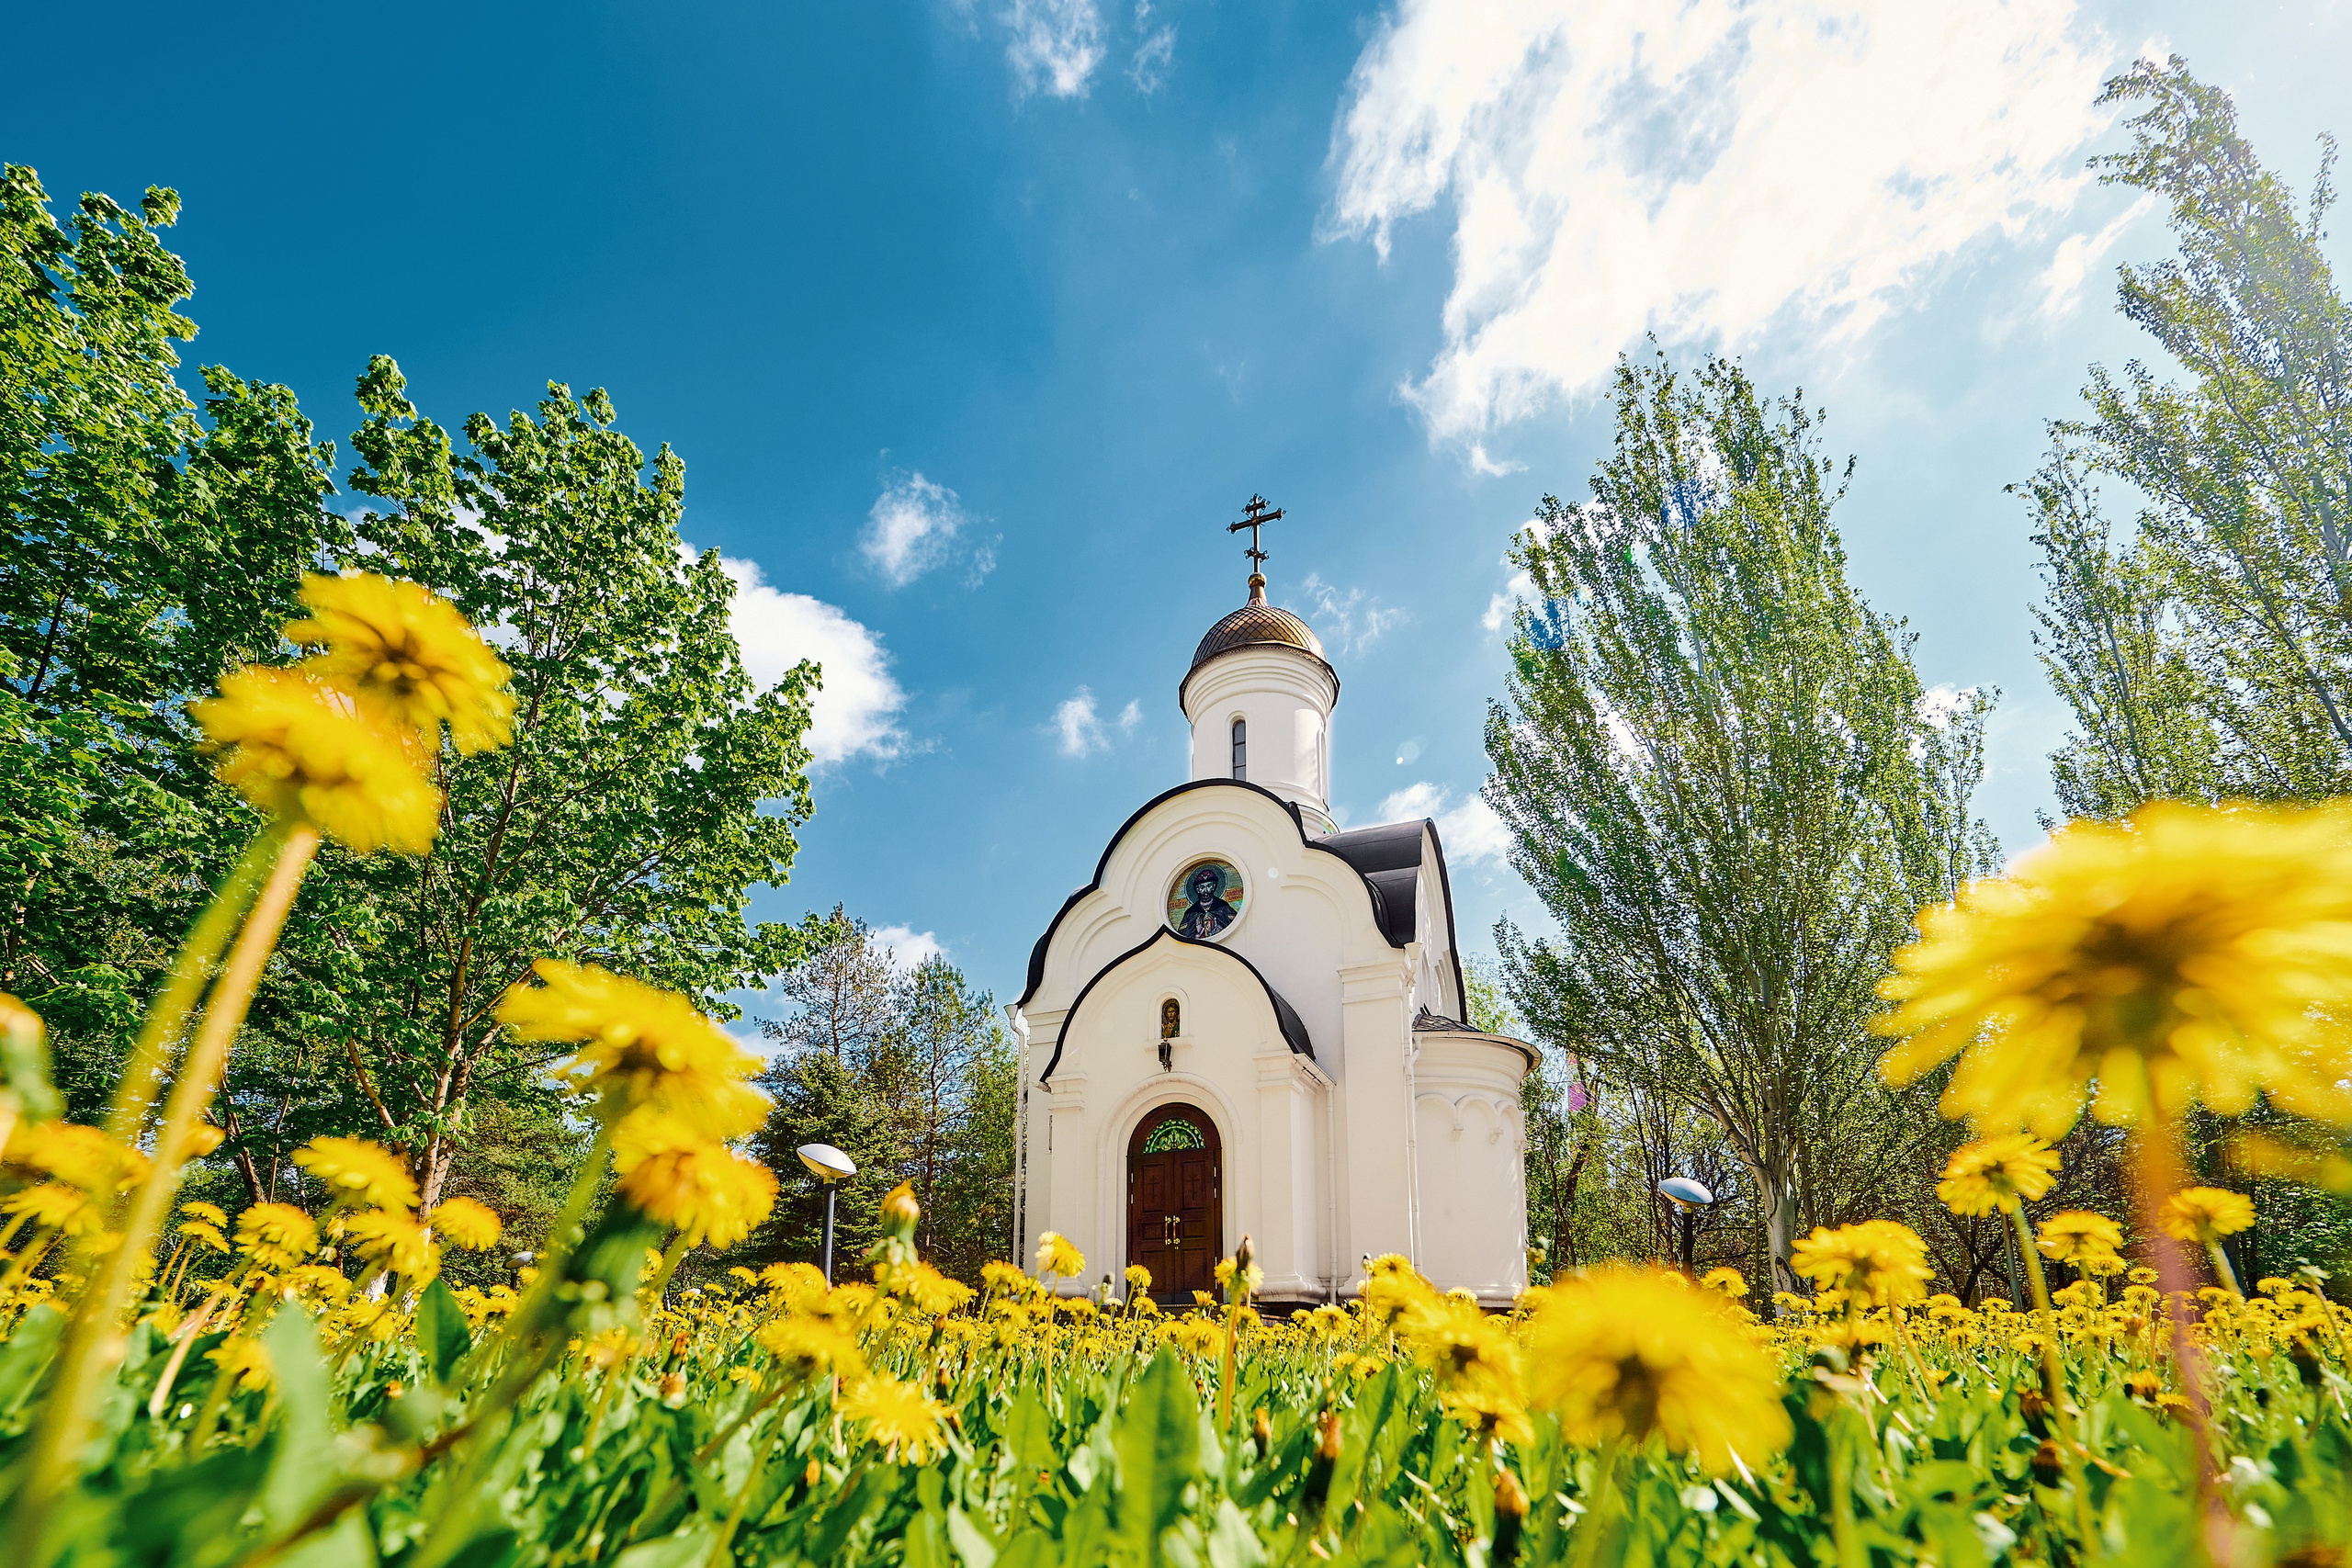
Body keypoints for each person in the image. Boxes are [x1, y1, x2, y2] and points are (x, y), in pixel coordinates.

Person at [1177, 864, 1237, 939]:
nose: (1205, 891)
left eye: (1208, 886)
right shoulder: (1191, 913)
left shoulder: (1223, 907)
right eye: (1202, 887)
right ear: (1197, 890)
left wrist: (1221, 930)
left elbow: (1235, 927)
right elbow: (1182, 937)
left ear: (1213, 887)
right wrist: (1197, 935)